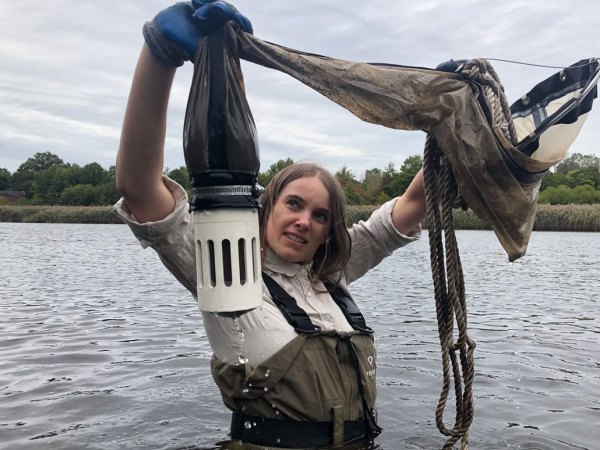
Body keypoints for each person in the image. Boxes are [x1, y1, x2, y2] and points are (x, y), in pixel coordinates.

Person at [114, 1, 427, 447]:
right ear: (266, 208)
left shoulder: (331, 272)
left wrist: (450, 130)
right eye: (294, 205)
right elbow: (139, 189)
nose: (304, 222)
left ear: (328, 231)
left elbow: (413, 204)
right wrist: (158, 56)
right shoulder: (226, 274)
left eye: (320, 216)